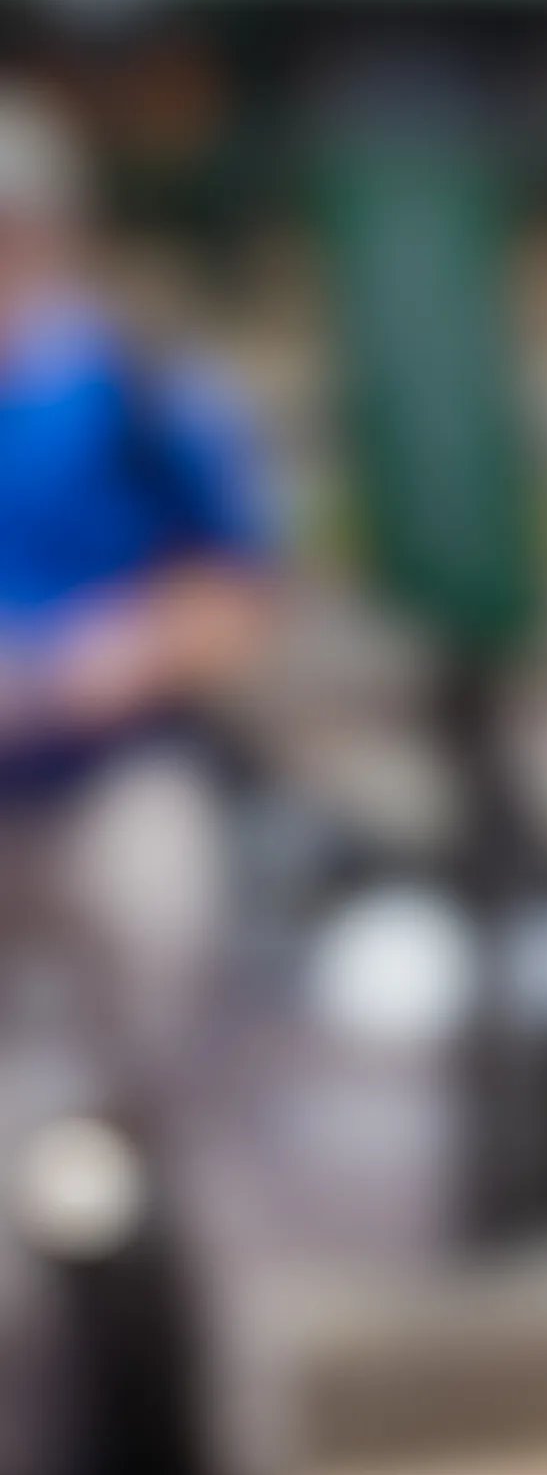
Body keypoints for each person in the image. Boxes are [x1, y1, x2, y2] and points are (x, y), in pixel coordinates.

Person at [0, 78, 281, 1149]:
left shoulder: (142, 383)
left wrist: (117, 657)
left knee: (153, 1050)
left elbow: (237, 587)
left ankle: (155, 1271)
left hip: (107, 777)